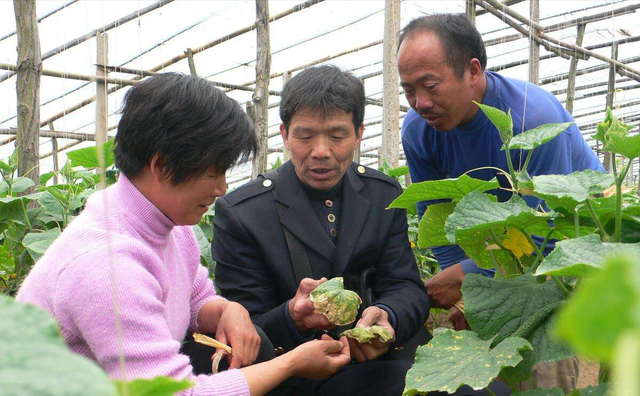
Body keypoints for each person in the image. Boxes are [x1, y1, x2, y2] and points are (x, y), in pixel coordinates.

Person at [16, 72, 351, 396]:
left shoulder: (169, 226)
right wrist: (291, 363)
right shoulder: (106, 266)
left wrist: (226, 310)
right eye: (213, 172)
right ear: (162, 166)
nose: (221, 188)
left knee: (254, 343)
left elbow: (195, 301)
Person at [212, 65, 510, 396]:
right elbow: (241, 328)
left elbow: (406, 286)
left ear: (358, 134)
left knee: (489, 391)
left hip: (389, 361)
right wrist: (293, 317)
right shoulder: (244, 213)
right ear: (284, 134)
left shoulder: (381, 194)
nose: (321, 151)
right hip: (303, 375)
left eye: (337, 136)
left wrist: (388, 317)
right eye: (305, 135)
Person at [397, 14, 604, 393]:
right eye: (408, 90)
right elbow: (439, 221)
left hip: (574, 240)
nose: (420, 102)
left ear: (473, 71)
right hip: (503, 239)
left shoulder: (531, 118)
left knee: (544, 363)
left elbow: (547, 231)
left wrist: (469, 278)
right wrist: (468, 298)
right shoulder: (417, 130)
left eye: (429, 85)